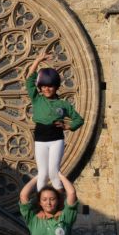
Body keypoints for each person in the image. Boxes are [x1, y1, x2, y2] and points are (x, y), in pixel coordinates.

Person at [26, 50, 84, 191]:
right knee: (43, 173)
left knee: (53, 172)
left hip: (56, 138)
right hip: (40, 137)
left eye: (50, 86)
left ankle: (60, 197)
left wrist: (68, 126)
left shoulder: (63, 104)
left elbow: (79, 120)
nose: (47, 89)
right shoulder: (37, 99)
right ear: (40, 87)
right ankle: (41, 202)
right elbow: (29, 80)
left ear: (56, 87)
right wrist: (37, 61)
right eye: (44, 86)